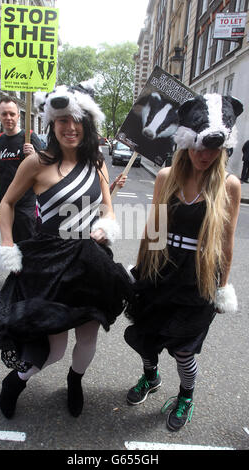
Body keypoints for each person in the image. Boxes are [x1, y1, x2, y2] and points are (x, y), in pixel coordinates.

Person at [0, 83, 132, 420]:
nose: (70, 127)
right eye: (62, 120)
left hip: (89, 260)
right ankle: (16, 380)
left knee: (88, 334)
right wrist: (8, 245)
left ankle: (75, 381)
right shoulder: (37, 163)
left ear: (87, 123)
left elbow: (108, 209)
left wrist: (105, 225)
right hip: (50, 261)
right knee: (56, 346)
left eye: (76, 120)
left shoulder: (97, 162)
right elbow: (8, 203)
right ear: (52, 124)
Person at [124, 93, 243, 432]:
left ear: (221, 149)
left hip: (199, 276)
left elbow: (226, 241)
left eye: (211, 149)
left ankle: (186, 395)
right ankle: (151, 377)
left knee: (183, 349)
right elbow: (155, 230)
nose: (203, 156)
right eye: (197, 147)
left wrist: (222, 288)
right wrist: (140, 270)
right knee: (146, 334)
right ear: (186, 143)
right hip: (161, 269)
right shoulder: (166, 177)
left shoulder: (229, 185)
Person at [0, 97, 42, 242]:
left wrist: (34, 156)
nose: (8, 118)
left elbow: (46, 170)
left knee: (29, 246)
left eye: (12, 114)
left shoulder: (30, 137)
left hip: (27, 205)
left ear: (19, 116)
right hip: (7, 204)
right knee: (9, 245)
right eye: (4, 114)